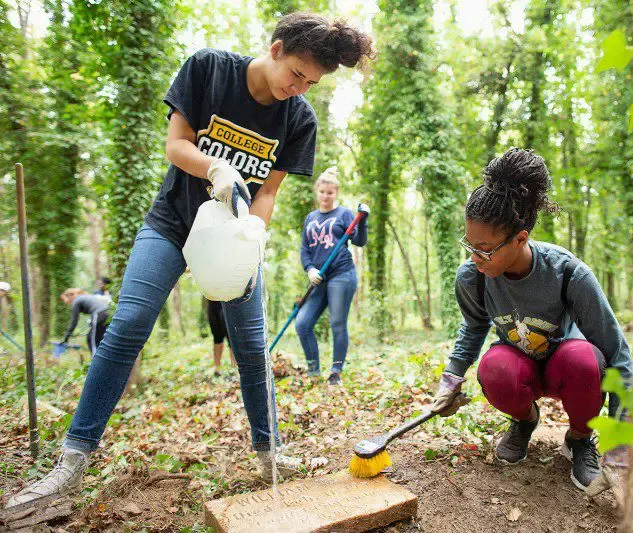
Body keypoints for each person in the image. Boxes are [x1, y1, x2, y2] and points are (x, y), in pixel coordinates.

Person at [5, 13, 374, 509]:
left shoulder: (299, 119)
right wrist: (215, 166)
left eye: (311, 82)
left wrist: (253, 234)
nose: (299, 88)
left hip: (233, 239)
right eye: (296, 74)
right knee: (129, 322)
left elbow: (268, 193)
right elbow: (176, 145)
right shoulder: (209, 69)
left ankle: (270, 453)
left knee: (252, 347)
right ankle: (71, 462)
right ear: (276, 48)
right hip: (172, 225)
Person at [431, 148, 633, 493]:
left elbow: (620, 357)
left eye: (484, 249)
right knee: (495, 367)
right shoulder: (472, 277)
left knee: (586, 360)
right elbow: (475, 326)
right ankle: (525, 421)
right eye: (470, 245)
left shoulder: (568, 273)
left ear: (520, 238)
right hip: (519, 365)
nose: (475, 257)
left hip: (566, 367)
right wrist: (451, 377)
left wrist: (620, 448)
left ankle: (580, 439)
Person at [295, 167, 368, 385]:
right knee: (302, 323)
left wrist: (362, 220)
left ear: (336, 193)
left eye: (330, 193)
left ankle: (336, 371)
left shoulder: (344, 214)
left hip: (341, 274)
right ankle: (313, 371)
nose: (326, 196)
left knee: (337, 322)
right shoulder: (310, 218)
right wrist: (310, 269)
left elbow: (359, 241)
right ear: (316, 191)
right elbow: (305, 249)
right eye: (322, 192)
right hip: (319, 278)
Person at [59, 288, 111, 356]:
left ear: (69, 296)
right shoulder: (83, 297)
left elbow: (74, 322)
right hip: (107, 313)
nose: (66, 303)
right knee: (95, 338)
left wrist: (66, 337)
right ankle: (104, 358)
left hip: (100, 313)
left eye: (65, 300)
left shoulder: (76, 301)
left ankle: (95, 360)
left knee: (93, 341)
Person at [206, 298, 235, 375]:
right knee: (217, 337)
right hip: (212, 303)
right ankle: (217, 369)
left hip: (226, 302)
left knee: (231, 338)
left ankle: (234, 369)